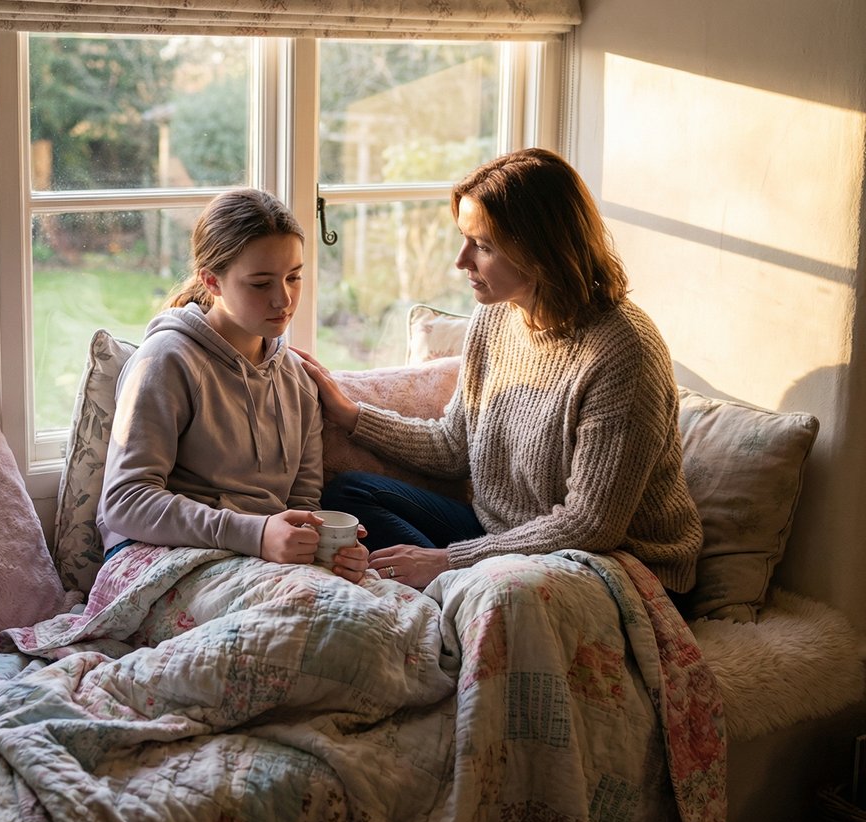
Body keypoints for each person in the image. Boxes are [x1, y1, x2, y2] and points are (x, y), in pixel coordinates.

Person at [297, 148, 702, 593]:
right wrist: (352, 414)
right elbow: (454, 447)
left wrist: (446, 561)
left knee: (496, 592)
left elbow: (591, 525)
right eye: (465, 238)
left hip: (613, 565)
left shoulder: (623, 352)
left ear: (541, 251)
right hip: (499, 535)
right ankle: (451, 592)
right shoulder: (496, 316)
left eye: (483, 246)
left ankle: (453, 593)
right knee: (350, 495)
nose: (461, 260)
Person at [97, 188, 370, 582]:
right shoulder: (166, 361)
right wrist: (254, 533)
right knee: (322, 615)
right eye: (260, 284)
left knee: (395, 618)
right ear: (212, 281)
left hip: (258, 563)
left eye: (294, 277)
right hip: (160, 557)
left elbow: (302, 505)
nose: (284, 299)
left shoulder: (298, 381)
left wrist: (327, 548)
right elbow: (125, 501)